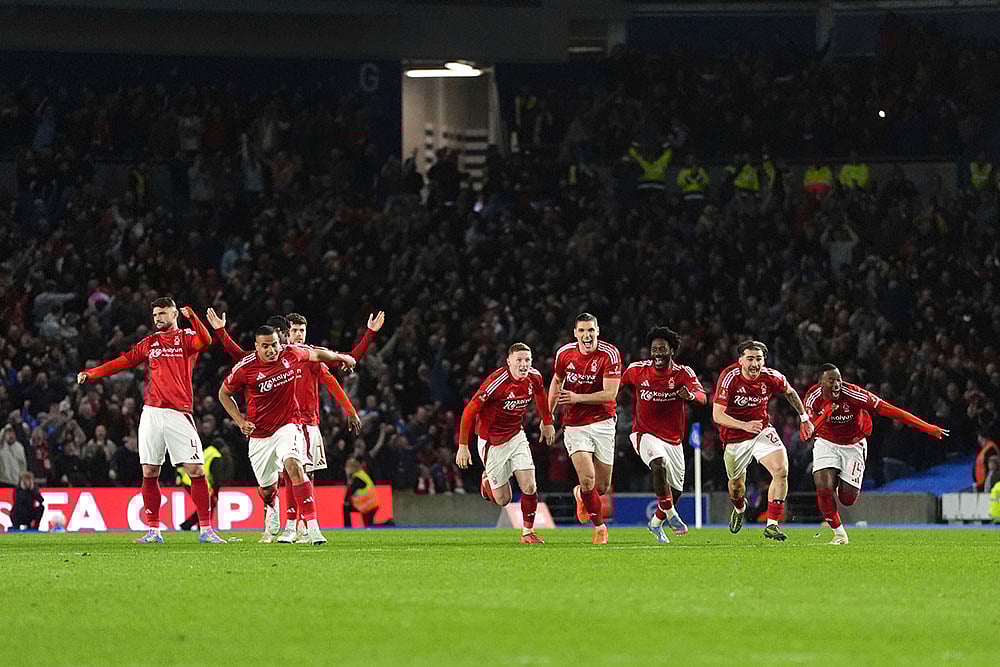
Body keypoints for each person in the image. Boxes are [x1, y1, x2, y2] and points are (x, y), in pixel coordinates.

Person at [205, 308, 366, 542]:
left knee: (295, 466)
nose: (272, 350)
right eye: (266, 346)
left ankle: (311, 527)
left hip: (289, 426)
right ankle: (273, 507)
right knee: (268, 489)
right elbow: (223, 393)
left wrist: (344, 357)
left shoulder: (292, 354)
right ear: (257, 346)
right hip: (259, 435)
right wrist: (240, 421)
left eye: (275, 344)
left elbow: (319, 355)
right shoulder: (246, 366)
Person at [76, 297, 224, 544]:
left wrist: (194, 318)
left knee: (196, 470)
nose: (157, 319)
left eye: (162, 314)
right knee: (150, 471)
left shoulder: (186, 338)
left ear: (174, 313)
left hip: (179, 412)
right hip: (152, 413)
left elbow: (206, 341)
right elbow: (123, 361)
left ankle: (206, 529)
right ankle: (153, 530)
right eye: (155, 315)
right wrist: (92, 373)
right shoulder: (150, 343)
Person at [805, 364, 950, 544]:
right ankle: (839, 534)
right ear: (820, 382)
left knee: (847, 499)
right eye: (831, 380)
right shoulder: (812, 398)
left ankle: (838, 480)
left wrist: (927, 427)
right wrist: (825, 415)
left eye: (839, 380)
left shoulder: (854, 394)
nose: (836, 385)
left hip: (853, 444)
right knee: (823, 487)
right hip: (826, 442)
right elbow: (807, 434)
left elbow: (891, 410)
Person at [280, 310, 376, 542]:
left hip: (309, 425)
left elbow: (336, 377)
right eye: (294, 330)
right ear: (286, 334)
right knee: (288, 475)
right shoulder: (279, 357)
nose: (299, 334)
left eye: (302, 330)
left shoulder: (312, 358)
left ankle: (303, 526)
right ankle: (291, 524)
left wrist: (350, 410)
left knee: (307, 477)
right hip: (285, 425)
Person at [712, 340, 813, 541]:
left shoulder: (771, 377)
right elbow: (718, 415)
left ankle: (772, 524)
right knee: (736, 486)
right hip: (734, 437)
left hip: (761, 431)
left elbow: (790, 392)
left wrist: (804, 419)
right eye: (750, 358)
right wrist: (744, 425)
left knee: (781, 470)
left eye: (759, 359)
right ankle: (740, 508)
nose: (755, 363)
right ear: (740, 360)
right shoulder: (729, 377)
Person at [456, 342, 555, 544]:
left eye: (527, 360)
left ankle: (528, 533)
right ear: (508, 361)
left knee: (529, 486)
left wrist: (547, 422)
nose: (523, 364)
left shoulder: (534, 377)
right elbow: (469, 410)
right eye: (519, 360)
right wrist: (463, 445)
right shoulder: (497, 382)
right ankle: (486, 482)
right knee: (504, 500)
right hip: (492, 442)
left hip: (516, 436)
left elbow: (541, 394)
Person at [619, 326, 706, 543]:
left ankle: (656, 523)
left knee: (675, 491)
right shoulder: (637, 370)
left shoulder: (683, 373)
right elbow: (616, 386)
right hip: (644, 433)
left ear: (672, 351)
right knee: (658, 464)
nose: (658, 353)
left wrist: (691, 396)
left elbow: (702, 397)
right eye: (654, 349)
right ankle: (672, 515)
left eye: (662, 349)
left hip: (673, 440)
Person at [548, 313, 621, 545]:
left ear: (597, 331)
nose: (586, 335)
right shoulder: (564, 353)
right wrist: (546, 416)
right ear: (575, 333)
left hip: (603, 422)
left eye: (591, 330)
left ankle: (581, 494)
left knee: (601, 486)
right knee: (588, 479)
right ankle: (600, 527)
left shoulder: (610, 354)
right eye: (582, 331)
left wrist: (578, 397)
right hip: (575, 424)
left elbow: (610, 394)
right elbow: (557, 382)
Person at [177, 438, 232, 531]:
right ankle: (199, 526)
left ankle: (194, 525)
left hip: (188, 480)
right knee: (209, 504)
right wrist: (215, 491)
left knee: (206, 504)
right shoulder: (216, 456)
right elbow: (216, 476)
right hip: (197, 482)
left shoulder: (206, 451)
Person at [343, 457, 384, 528]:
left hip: (368, 506)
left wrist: (347, 501)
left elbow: (349, 492)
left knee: (369, 526)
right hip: (370, 504)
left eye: (347, 466)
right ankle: (388, 524)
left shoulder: (357, 478)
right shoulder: (361, 474)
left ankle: (388, 524)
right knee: (369, 526)